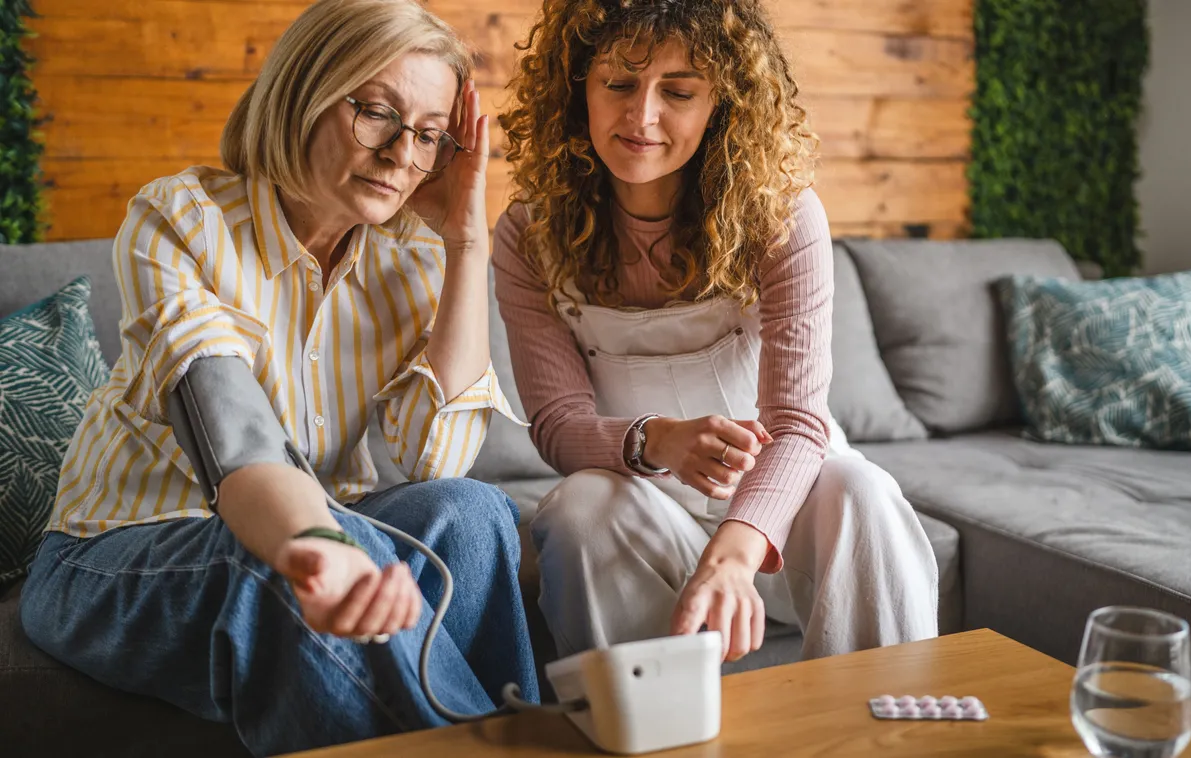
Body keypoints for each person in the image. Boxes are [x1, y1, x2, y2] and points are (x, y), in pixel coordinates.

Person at [19, 0, 536, 754]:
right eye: (378, 114)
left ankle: (520, 736)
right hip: (108, 556)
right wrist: (317, 546)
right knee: (277, 565)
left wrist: (464, 240)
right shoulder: (181, 218)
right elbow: (234, 435)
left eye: (428, 135)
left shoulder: (411, 261)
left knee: (472, 512)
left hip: (322, 526)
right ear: (304, 93)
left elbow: (437, 460)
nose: (401, 154)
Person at [494, 0, 940, 665]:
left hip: (786, 507)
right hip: (641, 509)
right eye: (617, 83)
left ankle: (884, 721)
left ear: (720, 104)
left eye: (678, 91)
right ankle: (648, 721)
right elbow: (556, 427)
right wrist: (655, 440)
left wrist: (733, 556)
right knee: (577, 504)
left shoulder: (782, 217)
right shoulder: (528, 232)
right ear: (575, 88)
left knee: (861, 488)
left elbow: (797, 427)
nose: (641, 116)